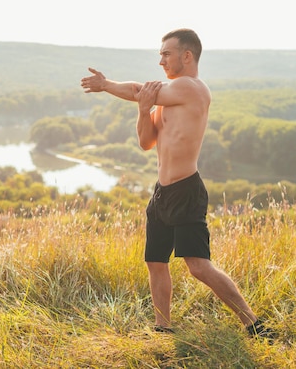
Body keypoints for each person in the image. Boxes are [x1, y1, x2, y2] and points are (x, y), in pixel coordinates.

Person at [80, 28, 272, 339]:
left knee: (198, 266)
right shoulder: (166, 99)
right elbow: (146, 142)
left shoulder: (192, 88)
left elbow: (137, 89)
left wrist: (106, 85)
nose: (161, 61)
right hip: (161, 192)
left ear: (187, 55)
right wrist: (143, 111)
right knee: (155, 261)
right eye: (159, 55)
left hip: (186, 189)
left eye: (166, 54)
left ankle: (253, 323)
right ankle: (163, 328)